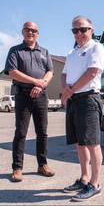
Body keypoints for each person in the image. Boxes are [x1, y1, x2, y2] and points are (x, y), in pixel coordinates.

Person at [60, 16, 104, 202]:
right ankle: (84, 178)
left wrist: (69, 91)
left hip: (88, 99)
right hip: (73, 100)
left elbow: (92, 72)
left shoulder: (96, 47)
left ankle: (95, 184)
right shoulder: (72, 52)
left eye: (83, 29)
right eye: (75, 30)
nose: (79, 33)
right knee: (80, 143)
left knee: (92, 142)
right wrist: (65, 91)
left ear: (91, 30)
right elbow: (64, 74)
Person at [4, 21, 55, 182]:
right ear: (23, 32)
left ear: (38, 33)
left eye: (34, 30)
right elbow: (12, 72)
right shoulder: (15, 51)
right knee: (20, 133)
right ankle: (17, 168)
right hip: (23, 96)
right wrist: (35, 81)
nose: (30, 32)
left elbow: (50, 72)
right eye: (27, 30)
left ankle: (42, 165)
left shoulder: (44, 51)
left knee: (42, 132)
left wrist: (40, 86)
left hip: (40, 96)